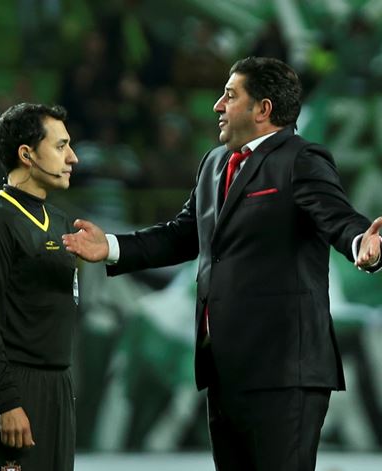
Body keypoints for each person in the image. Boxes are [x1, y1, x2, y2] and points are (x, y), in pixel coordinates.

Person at [62, 56, 382, 470]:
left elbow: (338, 218)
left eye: (230, 96)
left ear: (263, 109)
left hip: (284, 373)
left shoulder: (301, 160)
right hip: (224, 370)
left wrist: (362, 242)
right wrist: (110, 246)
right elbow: (182, 235)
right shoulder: (214, 164)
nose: (217, 105)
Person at [0, 103, 80, 470]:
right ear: (27, 154)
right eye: (60, 146)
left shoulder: (60, 221)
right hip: (15, 388)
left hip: (58, 386)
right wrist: (8, 400)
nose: (72, 158)